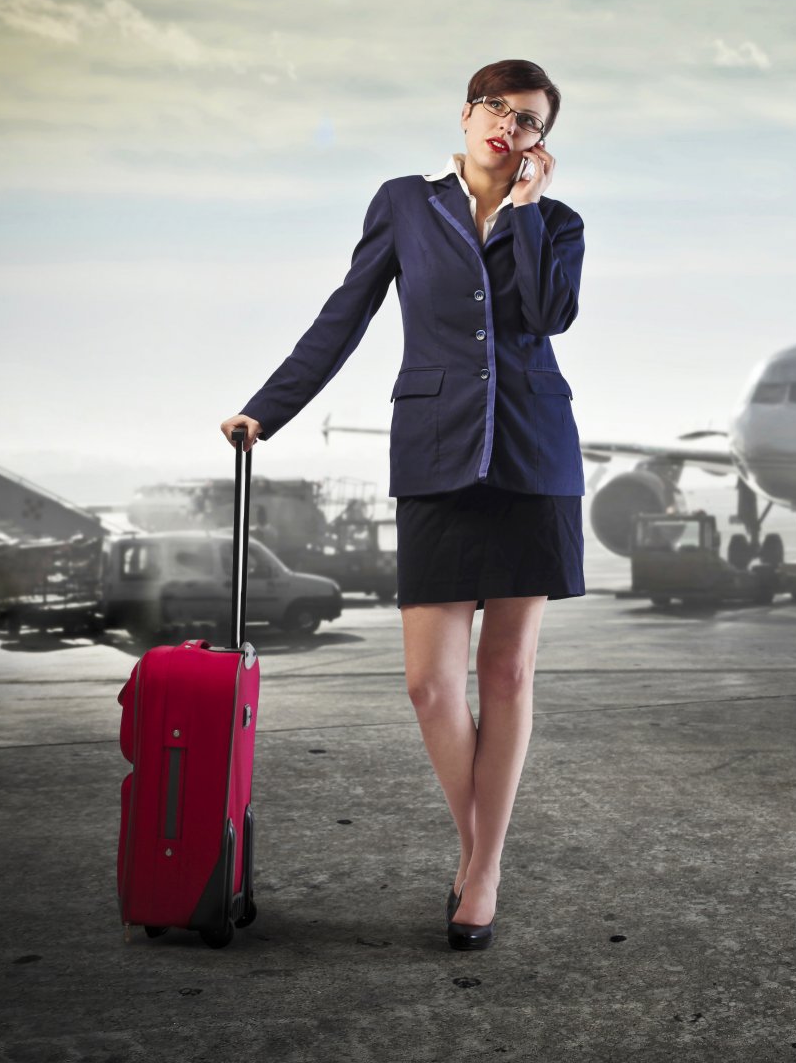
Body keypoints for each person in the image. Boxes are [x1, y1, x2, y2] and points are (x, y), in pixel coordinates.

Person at [220, 59, 584, 952]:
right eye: (497, 109)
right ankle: (478, 847)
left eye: (530, 120)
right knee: (429, 686)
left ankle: (482, 872)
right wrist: (267, 408)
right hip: (434, 455)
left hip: (534, 457)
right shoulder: (405, 203)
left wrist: (527, 212)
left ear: (544, 140)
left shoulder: (559, 222)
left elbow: (550, 317)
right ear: (466, 114)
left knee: (506, 677)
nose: (510, 126)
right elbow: (342, 315)